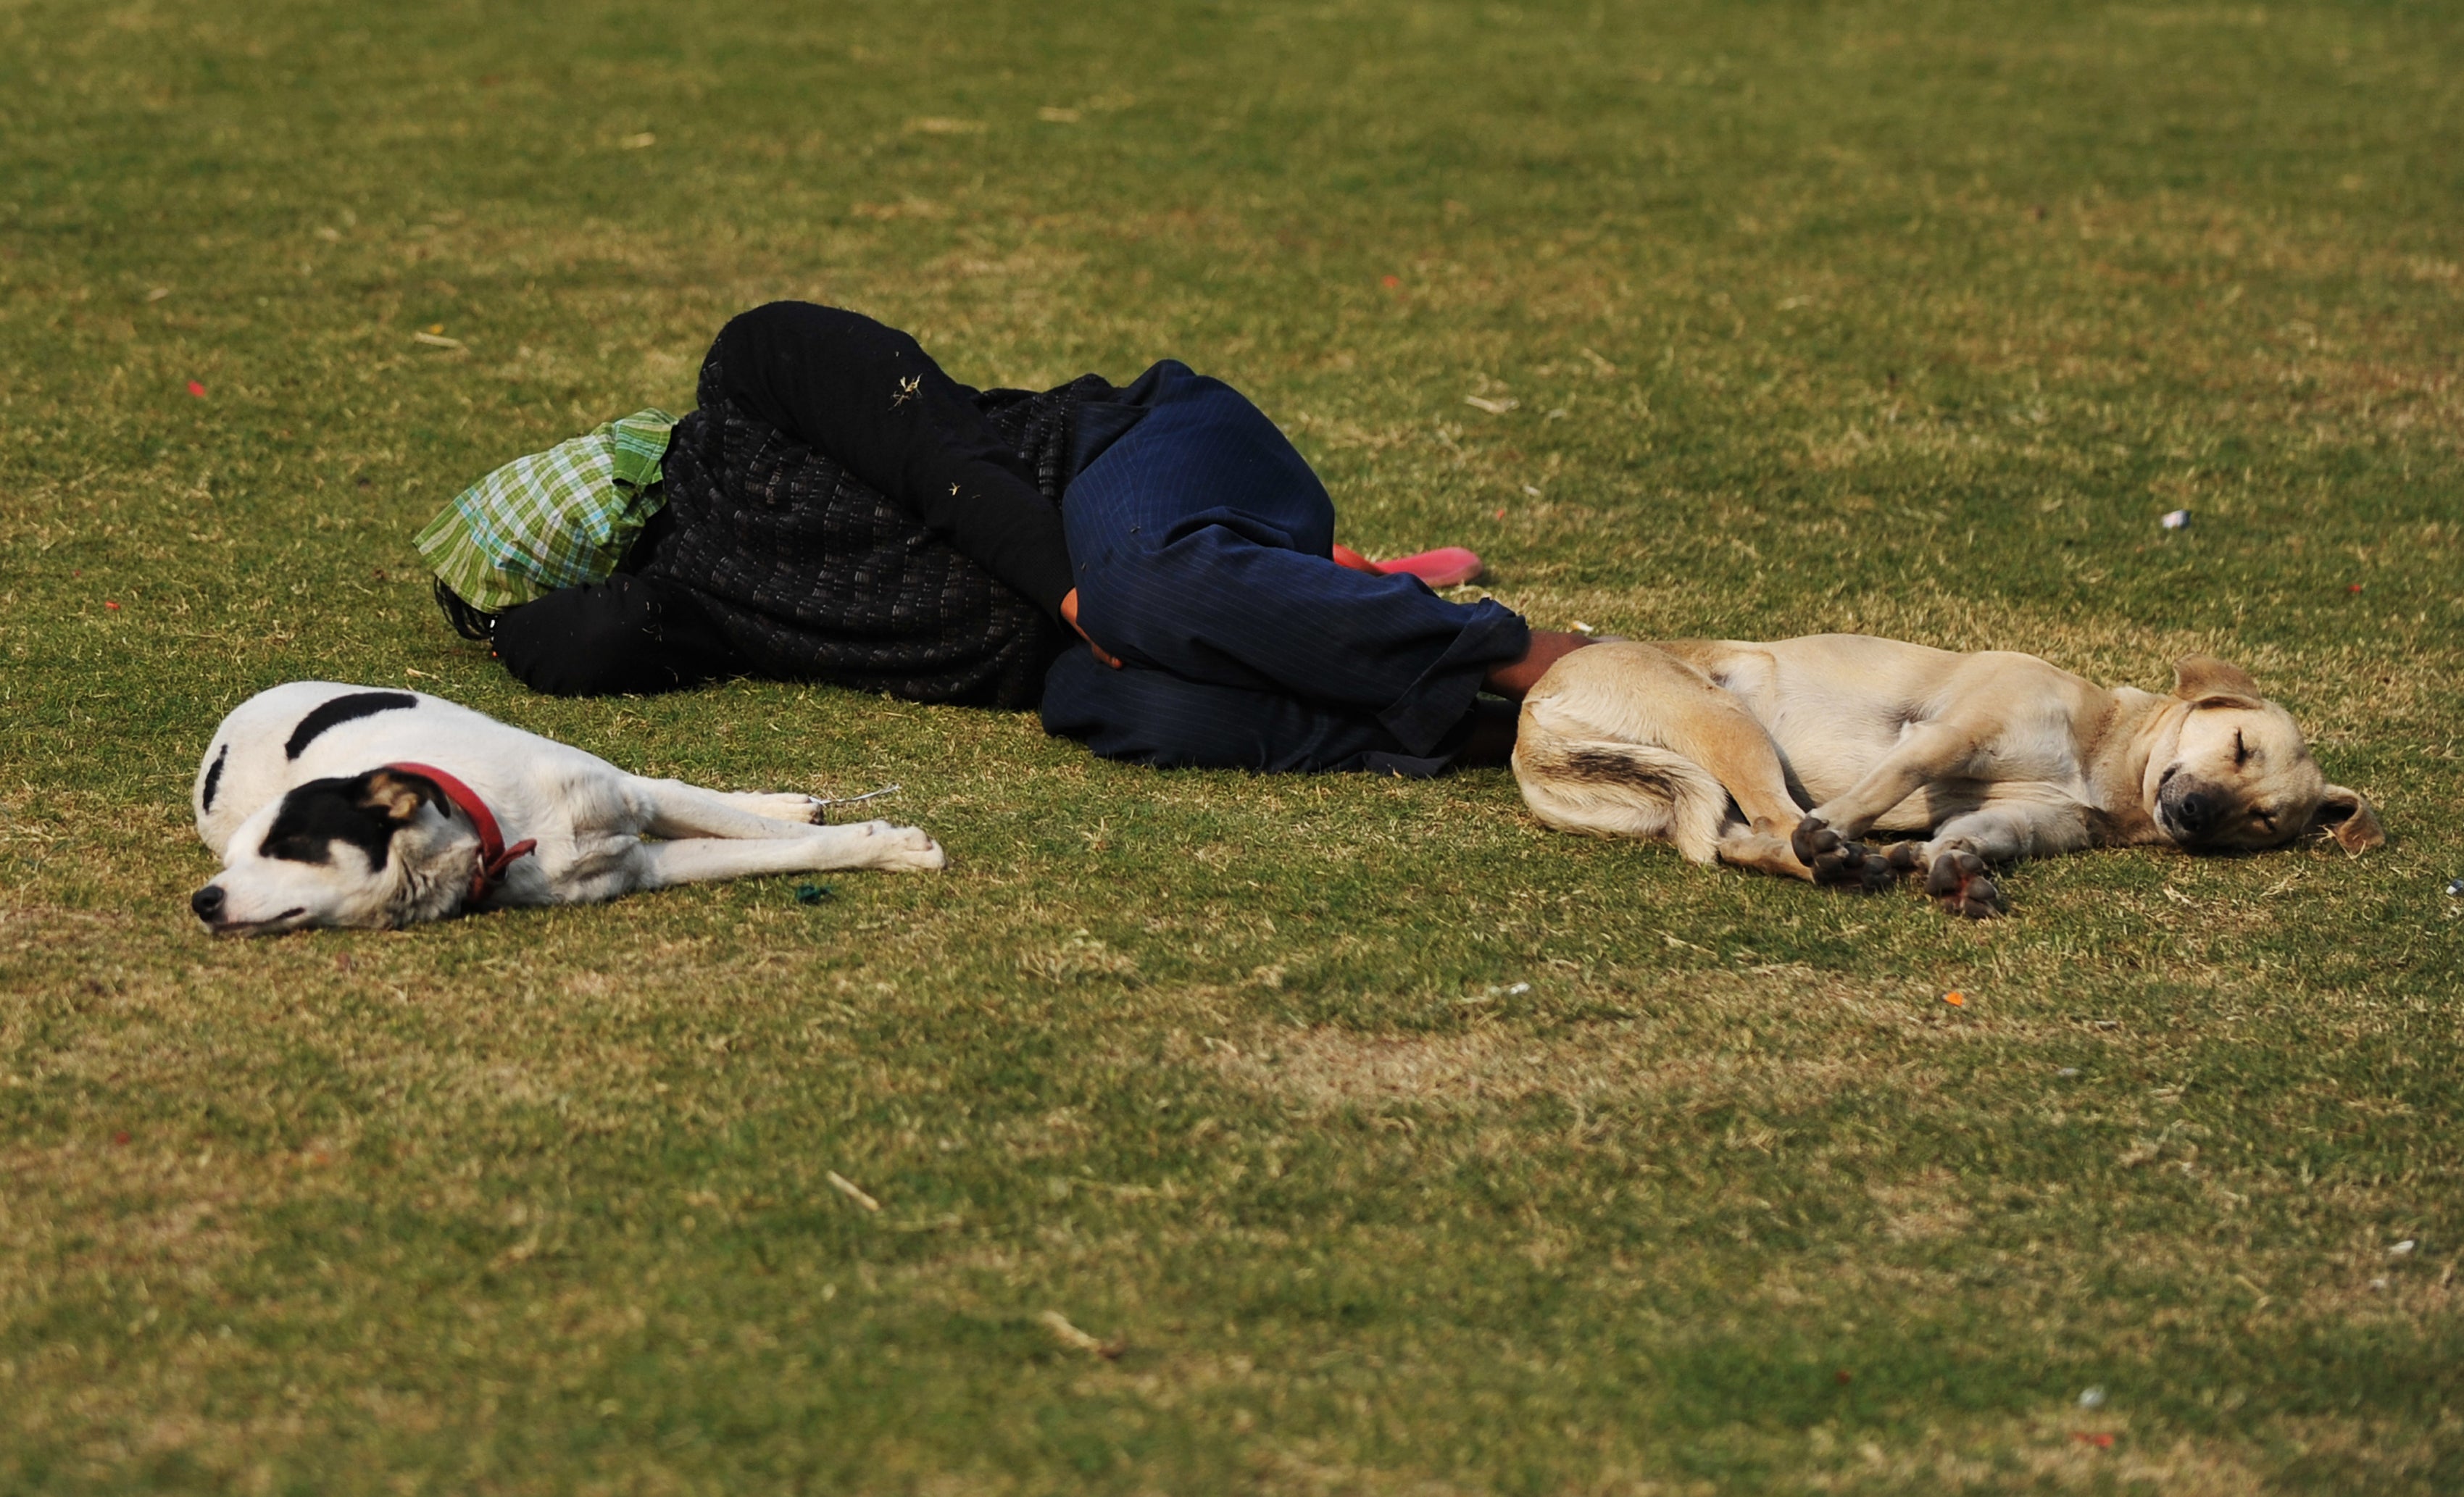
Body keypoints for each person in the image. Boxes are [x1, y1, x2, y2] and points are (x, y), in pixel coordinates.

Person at [416, 302, 1589, 774]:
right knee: (1128, 711)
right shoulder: (697, 604)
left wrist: (1076, 598)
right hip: (1104, 641)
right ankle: (1505, 738)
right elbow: (593, 642)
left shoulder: (756, 369)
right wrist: (482, 613)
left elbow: (942, 459)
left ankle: (1538, 655)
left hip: (1136, 457)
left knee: (1135, 588)